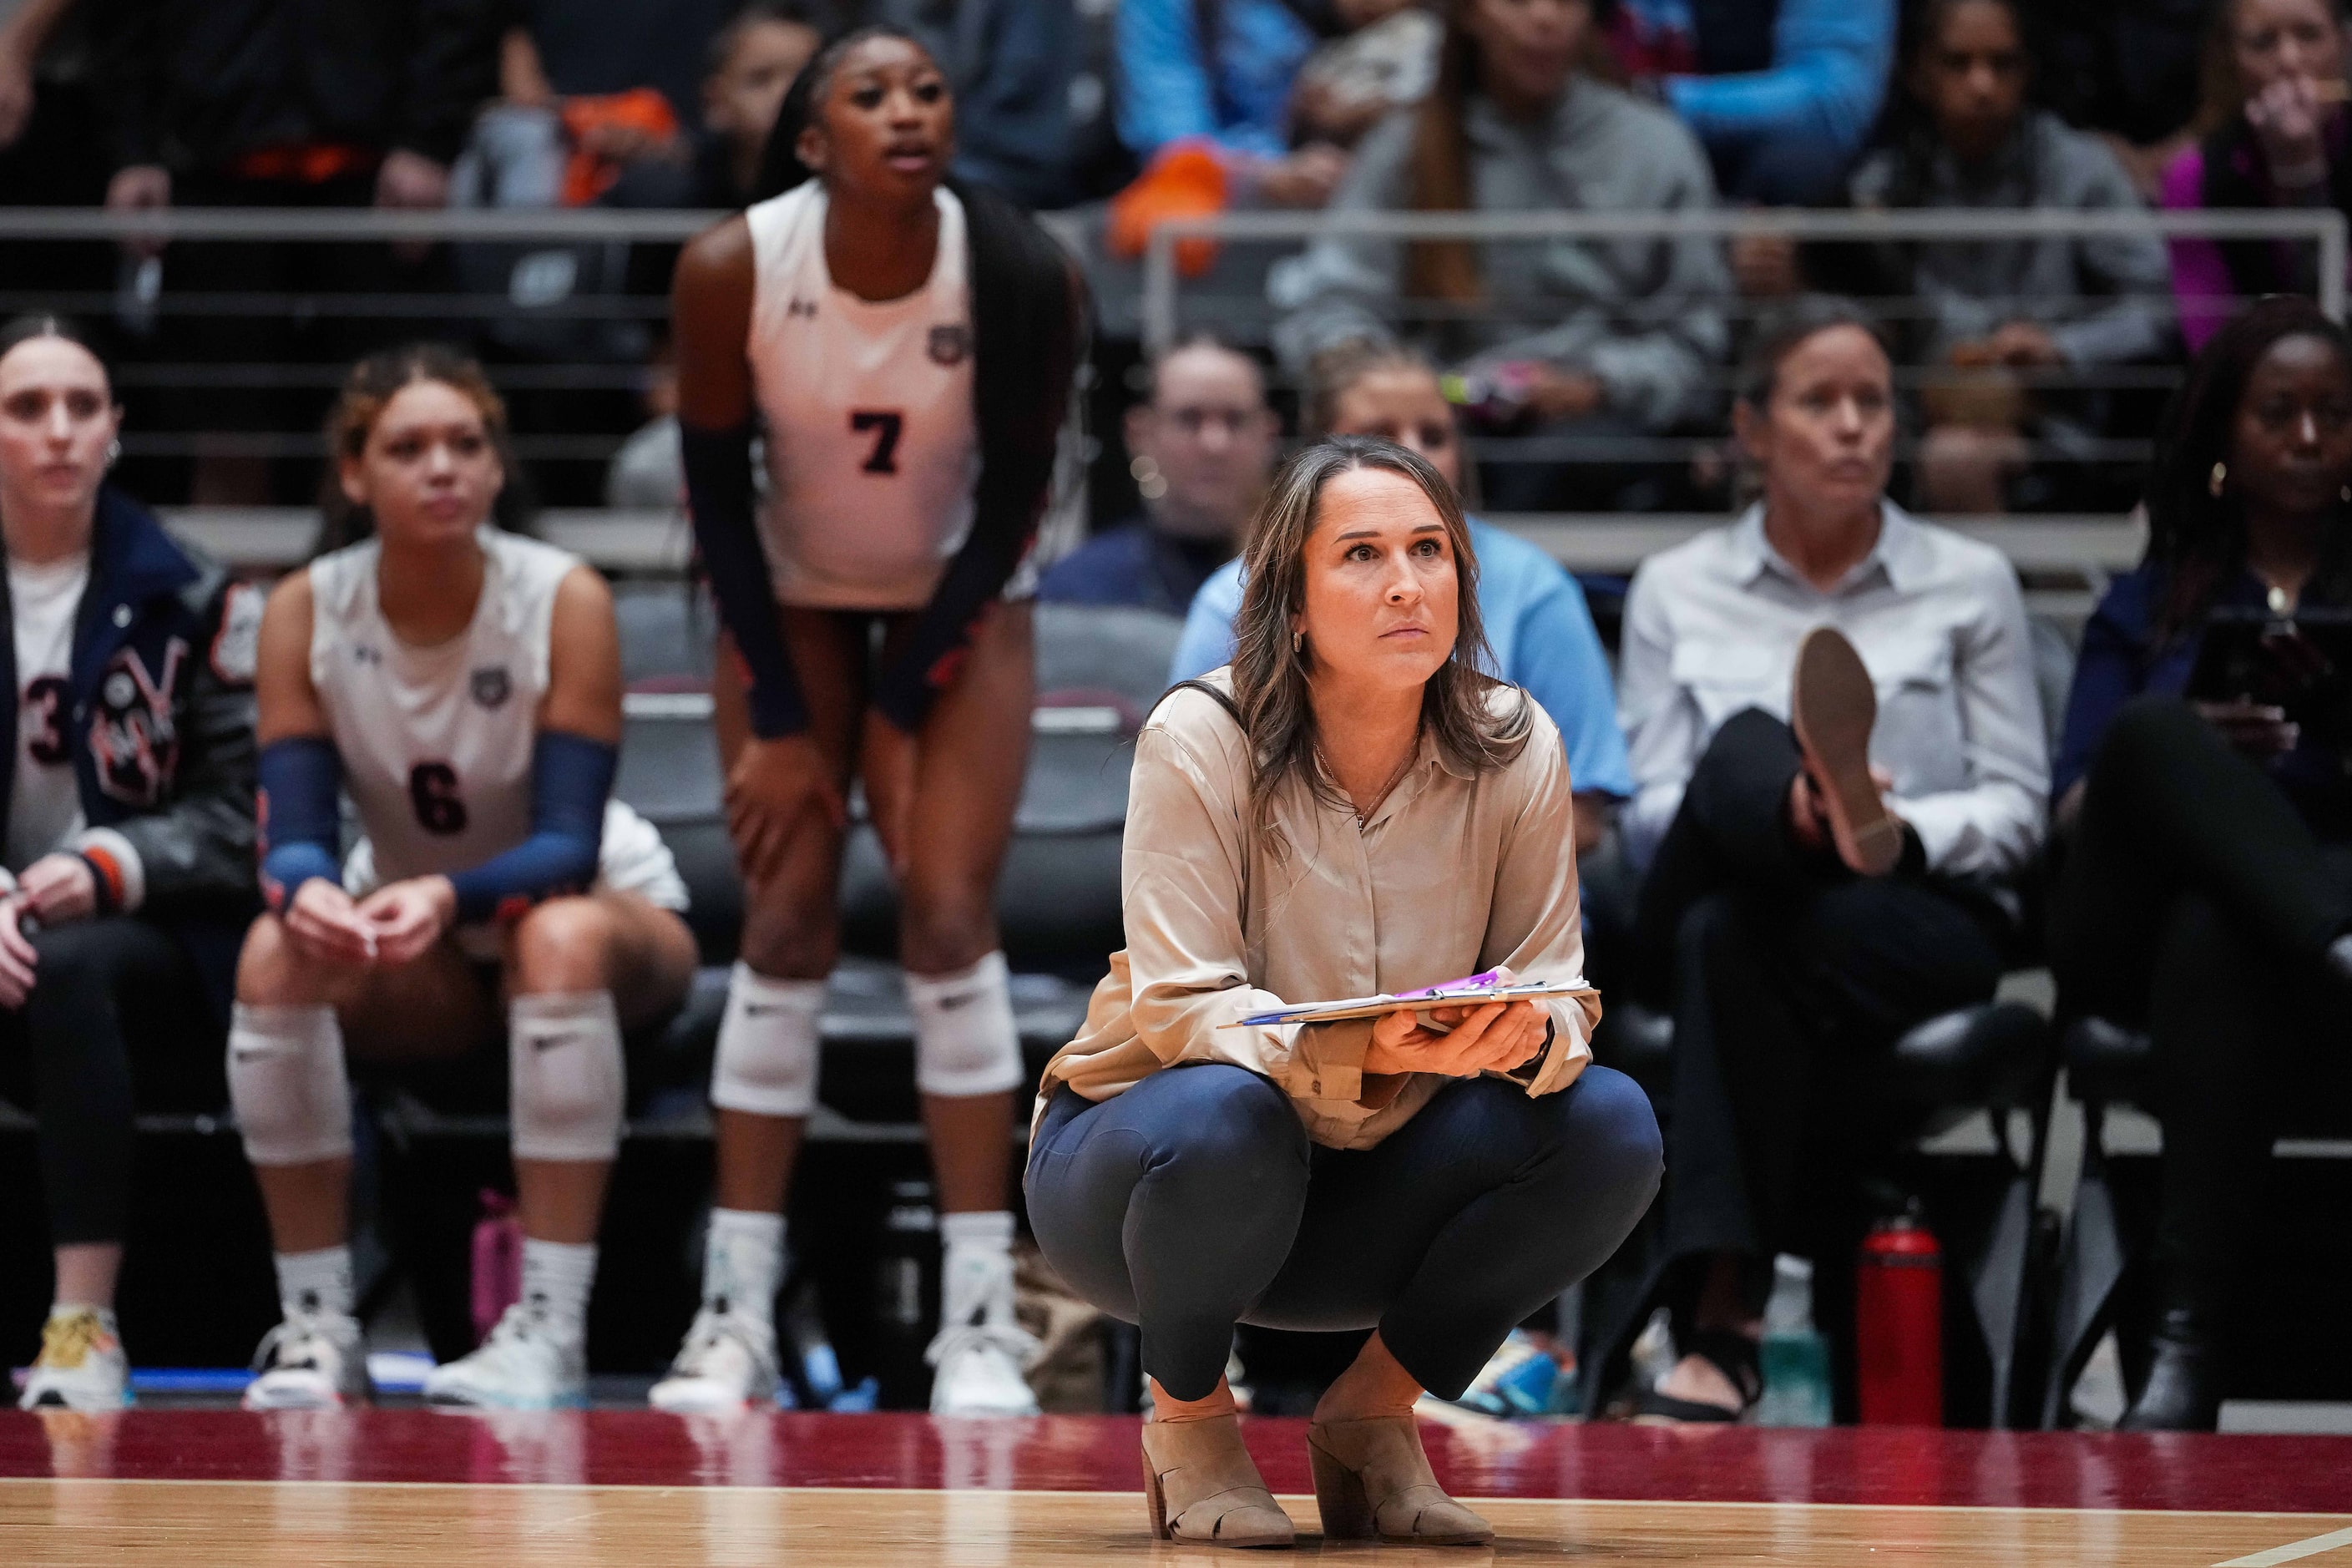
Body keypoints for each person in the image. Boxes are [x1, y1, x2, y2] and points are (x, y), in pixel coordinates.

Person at [1028, 437, 1659, 1546]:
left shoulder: (1517, 744)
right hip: (1143, 1184)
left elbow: (1563, 987)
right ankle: (1188, 1423)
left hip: (1367, 1198)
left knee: (1611, 1122)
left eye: (1430, 550)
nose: (1408, 583)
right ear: (1294, 600)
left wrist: (1521, 1033)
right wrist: (1371, 1052)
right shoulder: (1200, 734)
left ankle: (1370, 1418)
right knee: (1230, 1108)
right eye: (1362, 555)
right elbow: (1182, 1010)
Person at [664, 26, 1082, 1416]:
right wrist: (787, 721)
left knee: (948, 918)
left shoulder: (1023, 267)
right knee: (780, 920)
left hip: (961, 593)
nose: (907, 112)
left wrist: (902, 704)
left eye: (927, 91)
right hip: (784, 593)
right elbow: (716, 501)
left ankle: (979, 1316)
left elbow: (1017, 498)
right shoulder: (732, 265)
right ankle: (733, 1315)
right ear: (808, 140)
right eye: (870, 95)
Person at [229, 344, 698, 1411]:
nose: (442, 466)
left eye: (465, 444)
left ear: (495, 470)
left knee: (556, 936)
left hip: (602, 918)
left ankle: (549, 1330)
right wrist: (307, 891)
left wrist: (443, 893)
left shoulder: (560, 595)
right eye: (408, 447)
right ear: (355, 475)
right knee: (273, 948)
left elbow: (569, 848)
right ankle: (317, 1326)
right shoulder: (306, 607)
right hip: (423, 943)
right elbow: (292, 831)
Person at [1617, 297, 2048, 1420]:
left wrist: (1898, 835)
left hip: (1913, 909)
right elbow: (1651, 811)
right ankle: (1803, 798)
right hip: (1733, 872)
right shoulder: (1676, 586)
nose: (1854, 425)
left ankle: (1724, 1313)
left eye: (1872, 402)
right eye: (1821, 401)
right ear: (1753, 429)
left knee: (1730, 936)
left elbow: (2015, 808)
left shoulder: (1969, 581)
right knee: (1736, 761)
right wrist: (1785, 813)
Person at [2048, 296, 2352, 1431]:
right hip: (2118, 925)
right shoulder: (2150, 597)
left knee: (2217, 932)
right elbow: (2073, 803)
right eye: (2280, 413)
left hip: (2246, 966)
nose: (2311, 436)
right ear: (2224, 433)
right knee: (2152, 734)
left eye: (2334, 413)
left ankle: (2185, 1341)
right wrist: (2190, 748)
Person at [0, 317, 260, 1411]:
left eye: (83, 406)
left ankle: (82, 1324)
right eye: (26, 408)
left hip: (142, 946)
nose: (59, 430)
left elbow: (241, 817)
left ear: (116, 428)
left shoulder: (193, 591)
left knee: (71, 963)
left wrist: (114, 860)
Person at [1269, 0, 1731, 511]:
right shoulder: (1406, 146)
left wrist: (1598, 383)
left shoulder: (1655, 147)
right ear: (1469, 15)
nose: (1543, 18)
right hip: (1436, 428)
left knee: (1564, 461)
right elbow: (1332, 303)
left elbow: (1697, 341)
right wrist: (1400, 387)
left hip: (1605, 438)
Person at [1172, 341, 1632, 852]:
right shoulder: (1230, 599)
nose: (1412, 454)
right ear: (1322, 454)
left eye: (1434, 435)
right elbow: (1193, 816)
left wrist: (1420, 888)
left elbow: (1581, 810)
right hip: (1288, 912)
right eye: (1379, 436)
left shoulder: (1533, 587)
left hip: (1492, 918)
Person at [94, 0, 503, 505]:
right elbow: (120, 24)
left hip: (374, 175)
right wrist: (134, 150)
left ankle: (379, 582)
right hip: (216, 166)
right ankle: (238, 585)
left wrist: (429, 140)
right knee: (222, 422)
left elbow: (462, 15)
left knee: (391, 415)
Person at [1850, 0, 2174, 515]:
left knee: (1957, 460)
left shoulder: (2081, 169)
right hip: (1913, 417)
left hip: (2053, 422)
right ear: (1918, 75)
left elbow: (2160, 305)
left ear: (2029, 71)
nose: (1982, 86)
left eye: (2002, 64)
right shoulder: (1880, 189)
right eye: (1958, 64)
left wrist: (2062, 348)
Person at [1036, 334, 1277, 615]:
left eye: (1235, 420)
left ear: (1269, 435)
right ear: (1140, 434)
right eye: (1189, 419)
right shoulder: (1079, 589)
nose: (1214, 444)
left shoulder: (1303, 579)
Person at [2161, 0, 2352, 353]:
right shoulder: (2195, 175)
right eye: (2263, 43)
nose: (2290, 60)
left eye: (2309, 35)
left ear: (2344, 43)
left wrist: (2304, 176)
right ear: (2233, 58)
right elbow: (2211, 344)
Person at [1609, 0, 1896, 205]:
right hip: (1611, 153)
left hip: (1757, 176)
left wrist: (1659, 100)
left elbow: (1834, 101)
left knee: (1798, 164)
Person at [1115, 0, 1351, 210]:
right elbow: (1177, 147)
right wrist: (1266, 176)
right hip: (1216, 204)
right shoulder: (1160, 6)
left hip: (1338, 185)